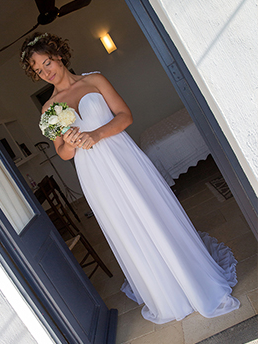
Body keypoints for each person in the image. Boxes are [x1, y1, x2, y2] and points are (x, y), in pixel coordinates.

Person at [20, 32, 240, 325]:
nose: (46, 72)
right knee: (125, 225)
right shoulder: (48, 110)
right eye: (38, 70)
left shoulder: (95, 80)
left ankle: (189, 277)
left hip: (123, 159)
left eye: (47, 62)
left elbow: (125, 116)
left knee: (151, 213)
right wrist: (71, 141)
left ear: (58, 56)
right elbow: (63, 153)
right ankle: (163, 291)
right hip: (94, 173)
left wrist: (95, 134)